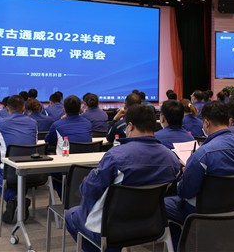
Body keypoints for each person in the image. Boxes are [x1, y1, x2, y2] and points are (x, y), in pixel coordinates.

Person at [65, 104, 181, 252]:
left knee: (71, 215)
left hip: (113, 228)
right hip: (152, 225)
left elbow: (90, 190)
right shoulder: (171, 158)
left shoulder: (116, 156)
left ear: (130, 126)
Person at [165, 101, 234, 248]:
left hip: (201, 210)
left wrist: (186, 174)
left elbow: (185, 192)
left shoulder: (202, 154)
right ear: (228, 120)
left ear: (206, 123)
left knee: (163, 204)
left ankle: (183, 245)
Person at [0, 95, 38, 224]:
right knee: (20, 178)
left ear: (7, 108)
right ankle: (20, 199)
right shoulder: (33, 123)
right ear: (23, 108)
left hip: (9, 171)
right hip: (32, 171)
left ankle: (13, 199)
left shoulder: (0, 123)